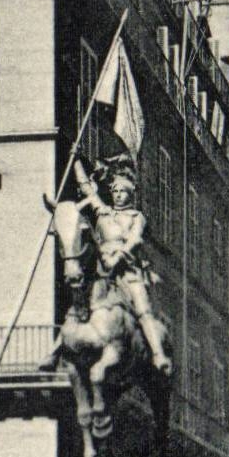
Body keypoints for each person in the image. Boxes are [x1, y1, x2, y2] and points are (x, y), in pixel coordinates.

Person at [41, 155, 172, 373]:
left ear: (130, 194)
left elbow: (135, 239)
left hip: (127, 271)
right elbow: (87, 188)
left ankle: (158, 354)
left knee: (142, 308)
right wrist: (76, 161)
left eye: (123, 192)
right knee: (78, 305)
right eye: (116, 191)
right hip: (102, 269)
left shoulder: (136, 216)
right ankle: (55, 353)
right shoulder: (104, 212)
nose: (119, 196)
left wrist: (117, 257)